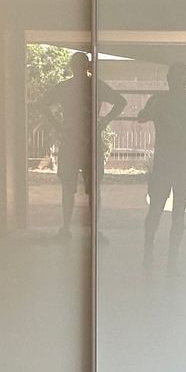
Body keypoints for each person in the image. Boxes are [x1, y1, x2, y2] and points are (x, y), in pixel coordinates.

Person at [43, 52, 127, 235]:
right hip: (78, 139)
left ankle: (71, 227)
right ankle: (72, 227)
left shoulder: (78, 86)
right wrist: (103, 122)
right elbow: (121, 102)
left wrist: (59, 126)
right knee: (76, 186)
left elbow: (121, 102)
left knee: (81, 187)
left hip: (82, 139)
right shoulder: (90, 86)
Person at [138, 64, 186, 270]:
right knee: (178, 215)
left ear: (168, 79)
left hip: (164, 162)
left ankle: (148, 256)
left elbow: (141, 117)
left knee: (155, 210)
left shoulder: (159, 102)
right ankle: (171, 263)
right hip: (184, 163)